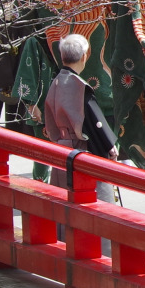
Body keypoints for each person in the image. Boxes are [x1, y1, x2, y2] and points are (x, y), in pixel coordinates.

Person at [41, 33, 120, 203]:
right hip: (81, 150)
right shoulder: (79, 86)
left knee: (64, 202)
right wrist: (109, 145)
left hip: (61, 148)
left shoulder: (55, 82)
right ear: (85, 56)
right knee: (94, 203)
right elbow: (94, 121)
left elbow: (49, 120)